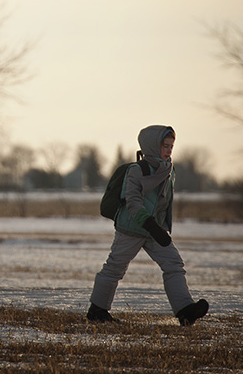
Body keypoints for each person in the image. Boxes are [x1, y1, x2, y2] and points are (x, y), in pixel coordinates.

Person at [86, 124, 209, 326]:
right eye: (165, 145)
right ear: (152, 146)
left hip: (155, 230)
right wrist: (150, 225)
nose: (169, 150)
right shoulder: (137, 170)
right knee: (115, 268)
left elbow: (163, 203)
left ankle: (185, 310)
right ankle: (97, 310)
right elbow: (133, 202)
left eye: (171, 145)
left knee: (174, 264)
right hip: (131, 228)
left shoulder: (169, 169)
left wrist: (159, 227)